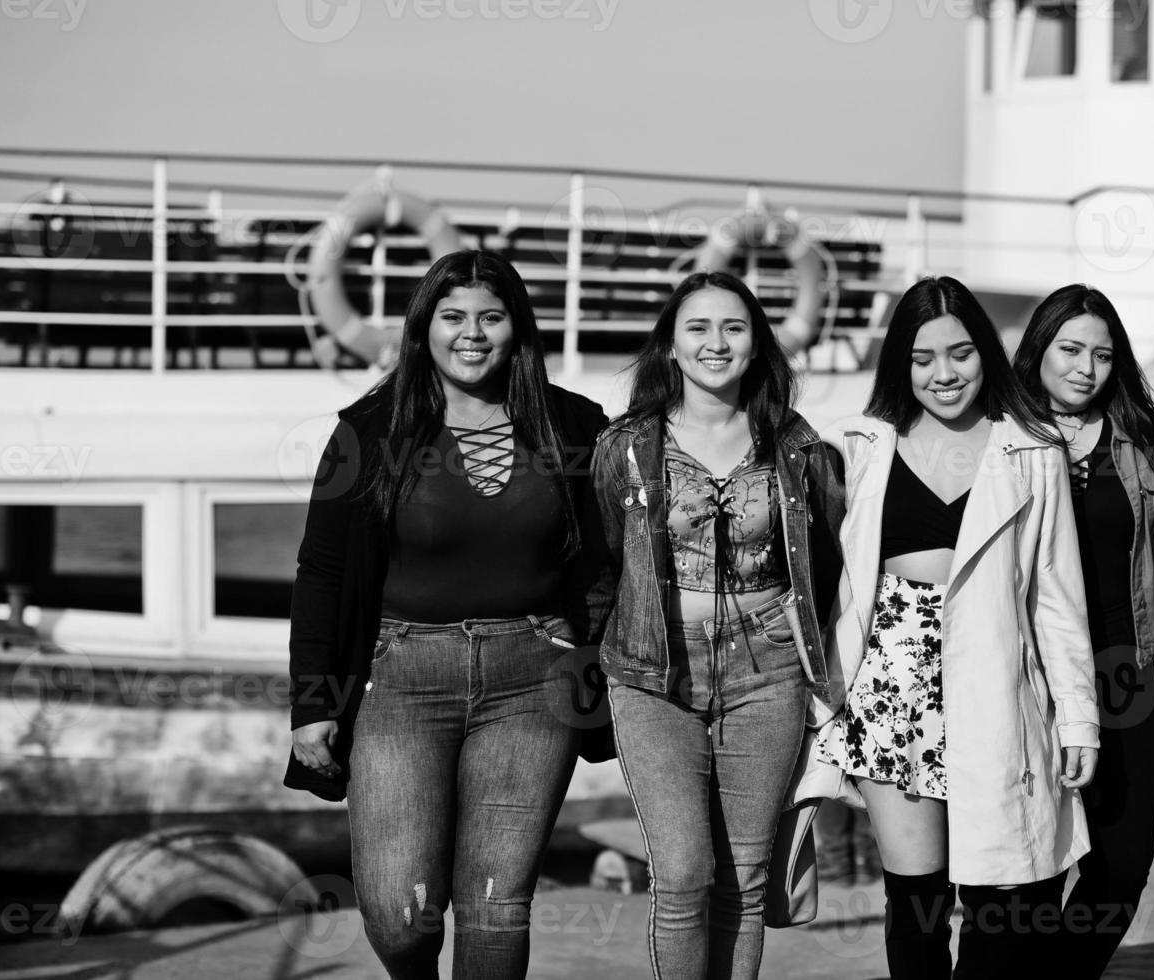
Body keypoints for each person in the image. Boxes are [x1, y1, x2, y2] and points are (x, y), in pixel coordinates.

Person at [284, 250, 611, 979]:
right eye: (453, 317)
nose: (472, 334)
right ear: (423, 327)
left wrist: (595, 674)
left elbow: (603, 568)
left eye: (491, 317)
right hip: (400, 679)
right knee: (400, 916)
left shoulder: (576, 426)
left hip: (535, 680)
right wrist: (313, 700)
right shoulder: (367, 432)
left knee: (496, 906)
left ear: (517, 329)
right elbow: (323, 572)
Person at [791, 275, 1100, 980]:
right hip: (890, 687)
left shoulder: (1030, 449)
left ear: (984, 353)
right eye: (922, 358)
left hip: (992, 682)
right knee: (915, 902)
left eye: (959, 353)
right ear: (899, 363)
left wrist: (1078, 719)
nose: (942, 374)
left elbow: (1055, 595)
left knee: (1001, 900)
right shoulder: (862, 444)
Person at [592, 270, 845, 980]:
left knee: (745, 874)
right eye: (697, 328)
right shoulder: (626, 449)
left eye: (733, 328)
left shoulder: (796, 447)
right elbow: (599, 565)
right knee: (680, 871)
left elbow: (824, 567)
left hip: (767, 671)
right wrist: (654, 534)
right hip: (654, 671)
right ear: (670, 346)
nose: (715, 342)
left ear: (756, 344)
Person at [1013, 283, 1154, 979]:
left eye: (1101, 355)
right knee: (1032, 864)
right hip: (1030, 676)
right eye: (1069, 349)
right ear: (1038, 349)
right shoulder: (1002, 438)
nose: (1084, 368)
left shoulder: (1135, 444)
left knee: (1122, 865)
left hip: (1123, 676)